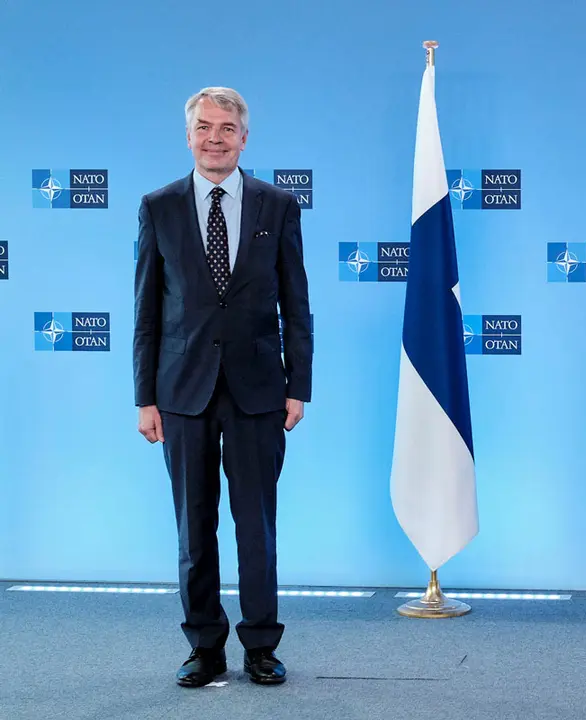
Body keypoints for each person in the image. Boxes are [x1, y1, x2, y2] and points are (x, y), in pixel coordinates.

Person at [133, 87, 313, 687]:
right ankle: (203, 647)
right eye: (205, 127)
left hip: (260, 391)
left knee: (256, 525)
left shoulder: (278, 205)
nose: (215, 137)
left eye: (227, 128)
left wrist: (299, 386)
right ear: (189, 135)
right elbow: (146, 314)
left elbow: (296, 305)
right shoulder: (158, 207)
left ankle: (262, 645)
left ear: (244, 137)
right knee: (194, 526)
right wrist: (144, 396)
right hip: (180, 392)